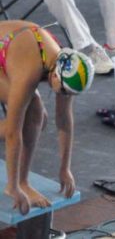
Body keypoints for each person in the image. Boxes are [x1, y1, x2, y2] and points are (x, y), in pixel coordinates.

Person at [0, 20, 94, 214]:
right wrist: (13, 186)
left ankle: (22, 181)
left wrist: (65, 168)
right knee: (32, 113)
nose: (64, 97)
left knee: (36, 117)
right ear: (55, 76)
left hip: (9, 52)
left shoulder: (62, 63)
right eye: (63, 92)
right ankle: (21, 182)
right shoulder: (30, 69)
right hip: (15, 53)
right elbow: (12, 133)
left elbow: (64, 120)